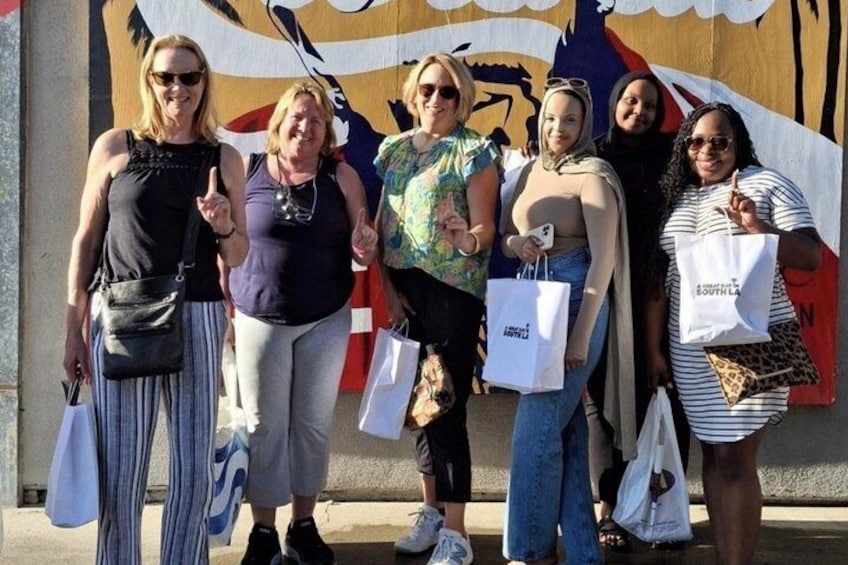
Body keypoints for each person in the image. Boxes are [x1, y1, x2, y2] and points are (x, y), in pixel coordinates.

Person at [63, 34, 247, 564]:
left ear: (204, 83)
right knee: (120, 473)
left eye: (189, 77)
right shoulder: (114, 147)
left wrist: (223, 223)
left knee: (193, 472)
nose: (177, 88)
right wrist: (73, 329)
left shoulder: (223, 158)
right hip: (121, 316)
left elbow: (238, 254)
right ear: (149, 81)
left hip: (198, 315)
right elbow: (85, 241)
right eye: (166, 76)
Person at [646, 102, 821, 565]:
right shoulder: (679, 196)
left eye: (720, 141)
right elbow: (660, 279)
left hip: (750, 342)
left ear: (737, 144)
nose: (708, 150)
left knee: (734, 458)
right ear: (684, 148)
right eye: (696, 142)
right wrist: (653, 349)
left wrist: (756, 226)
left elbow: (809, 256)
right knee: (712, 454)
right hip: (690, 350)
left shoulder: (767, 184)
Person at [229, 81, 378, 565]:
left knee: (312, 426)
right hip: (259, 317)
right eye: (297, 116)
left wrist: (364, 246)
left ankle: (303, 526)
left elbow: (363, 248)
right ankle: (263, 532)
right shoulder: (247, 169)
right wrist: (227, 313)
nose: (306, 126)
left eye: (316, 120)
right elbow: (223, 243)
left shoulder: (342, 177)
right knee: (264, 426)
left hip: (324, 320)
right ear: (279, 122)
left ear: (326, 131)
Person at [500, 78, 634, 565]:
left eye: (570, 120)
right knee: (565, 431)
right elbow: (506, 238)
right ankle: (581, 551)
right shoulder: (530, 170)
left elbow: (604, 262)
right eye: (551, 118)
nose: (558, 128)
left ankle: (531, 551)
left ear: (584, 125)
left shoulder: (593, 175)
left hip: (577, 299)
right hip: (535, 294)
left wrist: (579, 337)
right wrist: (520, 244)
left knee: (534, 432)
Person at [374, 53, 500, 565]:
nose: (435, 99)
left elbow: (486, 229)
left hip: (451, 291)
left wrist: (466, 238)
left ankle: (456, 533)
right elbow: (382, 225)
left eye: (447, 91)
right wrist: (386, 290)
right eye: (427, 89)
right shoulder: (394, 150)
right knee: (418, 407)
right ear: (413, 94)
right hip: (405, 291)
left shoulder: (473, 151)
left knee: (445, 407)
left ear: (462, 97)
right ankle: (430, 512)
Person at [587, 71, 691, 551]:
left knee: (666, 400)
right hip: (606, 296)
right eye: (630, 100)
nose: (639, 111)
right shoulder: (593, 158)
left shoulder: (672, 158)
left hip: (663, 294)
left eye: (649, 105)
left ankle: (660, 509)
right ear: (614, 103)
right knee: (604, 407)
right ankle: (610, 508)